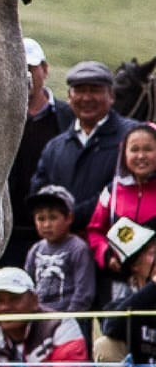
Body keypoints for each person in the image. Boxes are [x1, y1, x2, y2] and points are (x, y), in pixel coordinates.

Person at [30, 60, 137, 236]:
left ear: (111, 95)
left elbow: (125, 190)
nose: (86, 98)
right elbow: (38, 193)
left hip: (114, 249)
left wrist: (71, 217)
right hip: (63, 250)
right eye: (79, 90)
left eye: (95, 90)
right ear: (69, 96)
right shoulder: (56, 147)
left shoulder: (133, 138)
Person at [2, 37, 74, 267]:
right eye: (15, 68)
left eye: (29, 68)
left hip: (55, 232)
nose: (23, 75)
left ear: (45, 69)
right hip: (7, 233)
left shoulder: (68, 117)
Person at [94, 217, 156, 367]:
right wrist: (153, 288)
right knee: (104, 345)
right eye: (153, 253)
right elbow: (110, 326)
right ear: (136, 266)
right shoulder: (128, 303)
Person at [87, 122, 156, 274]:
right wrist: (106, 256)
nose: (141, 156)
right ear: (124, 153)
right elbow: (95, 231)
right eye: (134, 149)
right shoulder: (112, 192)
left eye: (148, 149)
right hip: (119, 282)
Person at [24, 184, 96, 312]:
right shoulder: (35, 250)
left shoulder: (78, 248)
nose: (46, 224)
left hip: (67, 319)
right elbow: (27, 286)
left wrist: (69, 319)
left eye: (53, 218)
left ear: (69, 218)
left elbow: (84, 292)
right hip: (39, 319)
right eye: (41, 219)